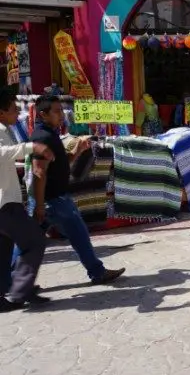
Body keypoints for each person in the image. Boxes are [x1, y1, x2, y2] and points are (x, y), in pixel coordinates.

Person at [12, 95, 126, 287]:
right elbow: (40, 173)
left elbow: (61, 164)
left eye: (61, 110)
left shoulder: (49, 134)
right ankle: (97, 272)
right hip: (54, 201)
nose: (61, 115)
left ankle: (10, 279)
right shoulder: (43, 137)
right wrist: (40, 205)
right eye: (56, 111)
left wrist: (79, 150)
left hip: (47, 200)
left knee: (26, 242)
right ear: (43, 114)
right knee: (79, 235)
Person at [0, 88, 52, 311]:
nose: (17, 115)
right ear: (1, 112)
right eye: (13, 110)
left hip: (6, 201)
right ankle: (19, 292)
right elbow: (3, 153)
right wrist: (32, 147)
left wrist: (25, 161)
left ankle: (13, 290)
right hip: (5, 204)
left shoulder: (5, 130)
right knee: (34, 241)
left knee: (4, 250)